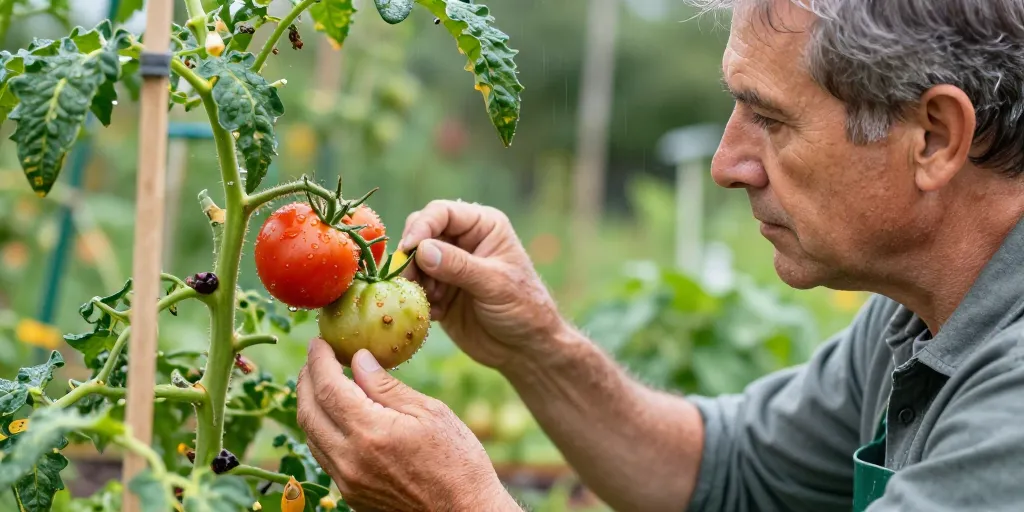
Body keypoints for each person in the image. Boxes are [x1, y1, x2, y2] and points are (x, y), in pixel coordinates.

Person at [294, 0, 1024, 510]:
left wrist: (459, 502)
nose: (727, 163)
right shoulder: (920, 315)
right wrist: (537, 347)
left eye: (769, 118)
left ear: (933, 136)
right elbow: (730, 475)